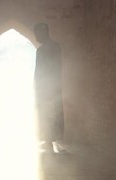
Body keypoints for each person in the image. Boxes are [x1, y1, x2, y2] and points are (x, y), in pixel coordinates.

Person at [33, 23, 66, 153]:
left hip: (49, 87)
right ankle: (48, 140)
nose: (36, 37)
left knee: (50, 113)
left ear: (44, 32)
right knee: (47, 113)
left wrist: (42, 85)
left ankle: (50, 140)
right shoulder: (47, 49)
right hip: (48, 86)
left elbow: (48, 69)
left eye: (37, 34)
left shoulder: (49, 49)